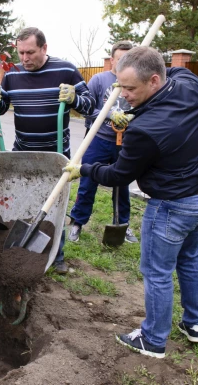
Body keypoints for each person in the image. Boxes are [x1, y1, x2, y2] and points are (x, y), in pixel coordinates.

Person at [64, 46, 198, 358]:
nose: (123, 95)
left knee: (157, 271)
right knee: (189, 260)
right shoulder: (189, 84)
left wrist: (84, 169)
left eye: (131, 89)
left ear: (154, 81)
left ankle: (153, 340)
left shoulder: (145, 131)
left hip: (173, 205)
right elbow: (172, 73)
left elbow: (119, 174)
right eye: (119, 86)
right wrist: (133, 111)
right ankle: (194, 324)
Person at [0, 27, 95, 274]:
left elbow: (91, 105)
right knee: (23, 201)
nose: (24, 59)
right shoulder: (12, 74)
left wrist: (74, 99)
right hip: (22, 153)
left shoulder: (65, 70)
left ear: (44, 48)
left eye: (30, 52)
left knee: (55, 205)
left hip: (56, 155)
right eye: (21, 52)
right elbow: (1, 107)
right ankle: (22, 251)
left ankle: (56, 256)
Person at [68, 41, 138, 244]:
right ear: (112, 60)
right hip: (98, 140)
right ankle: (77, 222)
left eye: (129, 59)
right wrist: (109, 115)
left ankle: (122, 224)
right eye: (120, 58)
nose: (124, 62)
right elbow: (86, 110)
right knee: (88, 182)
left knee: (122, 184)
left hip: (125, 143)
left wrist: (133, 118)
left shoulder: (137, 82)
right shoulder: (99, 80)